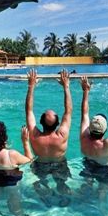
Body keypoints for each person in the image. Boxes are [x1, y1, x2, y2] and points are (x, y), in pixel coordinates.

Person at [25, 69, 73, 207]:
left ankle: (45, 199)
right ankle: (65, 201)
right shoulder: (62, 135)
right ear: (58, 123)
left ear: (40, 122)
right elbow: (68, 111)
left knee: (40, 182)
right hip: (60, 164)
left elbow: (28, 110)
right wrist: (66, 87)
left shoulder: (35, 135)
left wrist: (31, 86)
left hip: (40, 165)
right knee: (61, 183)